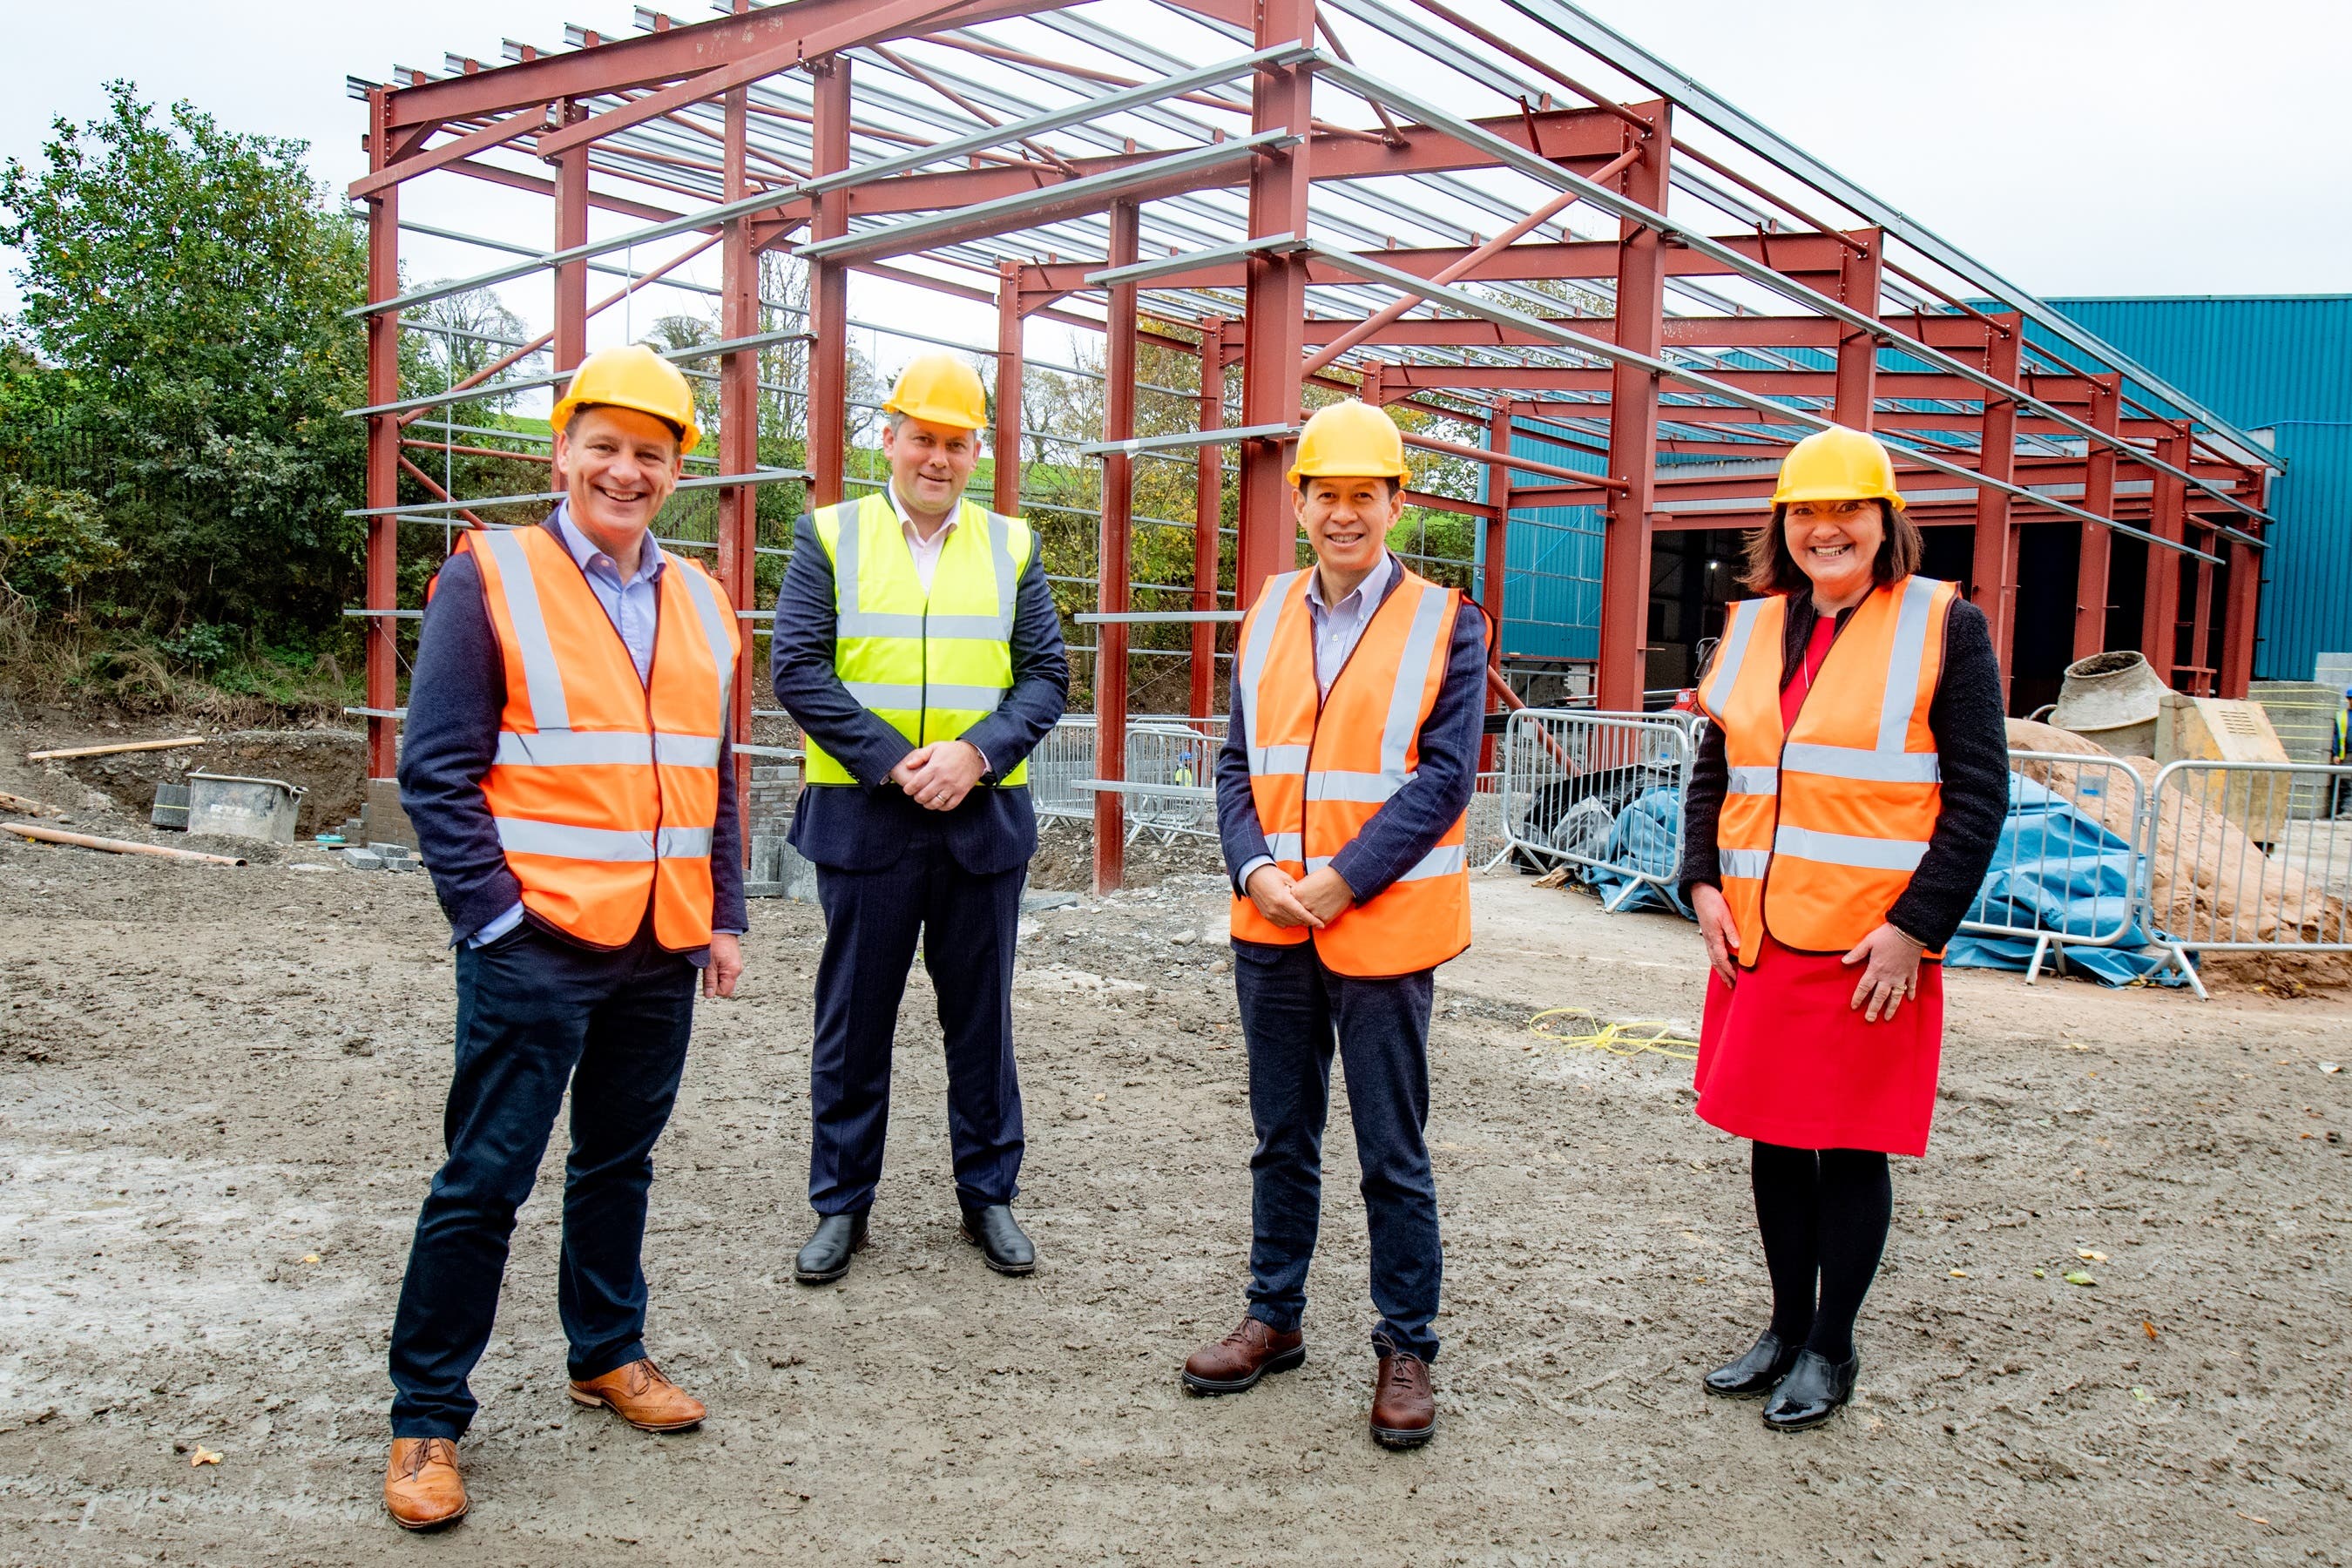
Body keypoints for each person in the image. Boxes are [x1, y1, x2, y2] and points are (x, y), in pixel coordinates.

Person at [382, 344, 747, 1530]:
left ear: (678, 469)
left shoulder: (700, 600)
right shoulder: (490, 576)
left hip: (658, 943)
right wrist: (493, 921)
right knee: (485, 1178)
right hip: (533, 943)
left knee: (616, 1165)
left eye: (651, 453)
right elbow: (434, 772)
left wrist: (723, 913)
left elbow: (715, 777)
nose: (626, 472)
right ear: (563, 451)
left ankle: (606, 1350)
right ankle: (427, 1418)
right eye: (606, 448)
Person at [1679, 423, 2006, 1432]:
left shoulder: (1943, 626)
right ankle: (1784, 1326)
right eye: (1807, 512)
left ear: (1884, 521)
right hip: (1762, 941)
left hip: (1871, 949)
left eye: (1847, 511)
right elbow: (1716, 771)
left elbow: (1980, 794)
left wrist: (1917, 927)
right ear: (1784, 525)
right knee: (1774, 1141)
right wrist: (1698, 882)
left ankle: (1833, 1345)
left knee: (1849, 1148)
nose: (1826, 530)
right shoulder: (1755, 628)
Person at [1182, 400, 1489, 1450]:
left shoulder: (1448, 619)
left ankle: (1407, 1345)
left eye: (1366, 494)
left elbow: (1445, 779)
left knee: (1391, 1147)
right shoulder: (1267, 611)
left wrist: (1345, 879)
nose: (1345, 513)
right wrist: (1256, 867)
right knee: (1282, 1136)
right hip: (1271, 923)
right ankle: (1275, 1317)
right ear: (1300, 503)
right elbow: (1236, 766)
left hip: (1383, 928)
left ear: (1396, 502)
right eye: (1328, 495)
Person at [771, 352, 1068, 1284]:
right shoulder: (829, 535)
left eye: (956, 442)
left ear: (977, 451)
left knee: (981, 1022)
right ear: (888, 437)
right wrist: (897, 763)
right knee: (854, 1020)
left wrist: (976, 754)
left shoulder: (1012, 545)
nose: (936, 457)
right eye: (922, 438)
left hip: (981, 823)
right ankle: (840, 1205)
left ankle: (988, 1194)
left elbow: (1046, 678)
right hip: (867, 820)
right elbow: (800, 668)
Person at [2331, 687, 2350, 817]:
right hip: (2347, 755)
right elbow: (2336, 736)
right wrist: (2336, 754)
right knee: (2346, 783)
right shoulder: (2342, 716)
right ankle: (2348, 810)